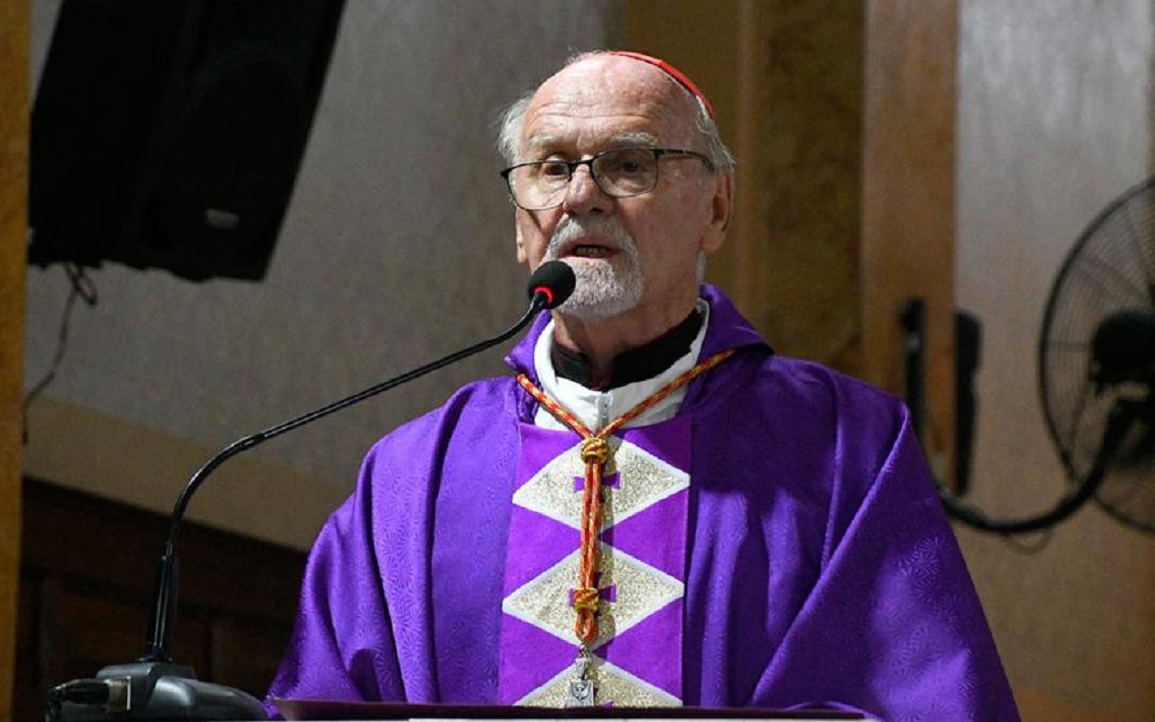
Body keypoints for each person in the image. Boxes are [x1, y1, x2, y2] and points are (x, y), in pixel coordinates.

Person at [265, 51, 1019, 721]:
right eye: (552, 168)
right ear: (519, 224)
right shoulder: (407, 478)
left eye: (629, 164)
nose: (583, 196)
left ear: (716, 208)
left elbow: (920, 695)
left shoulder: (845, 446)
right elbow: (325, 702)